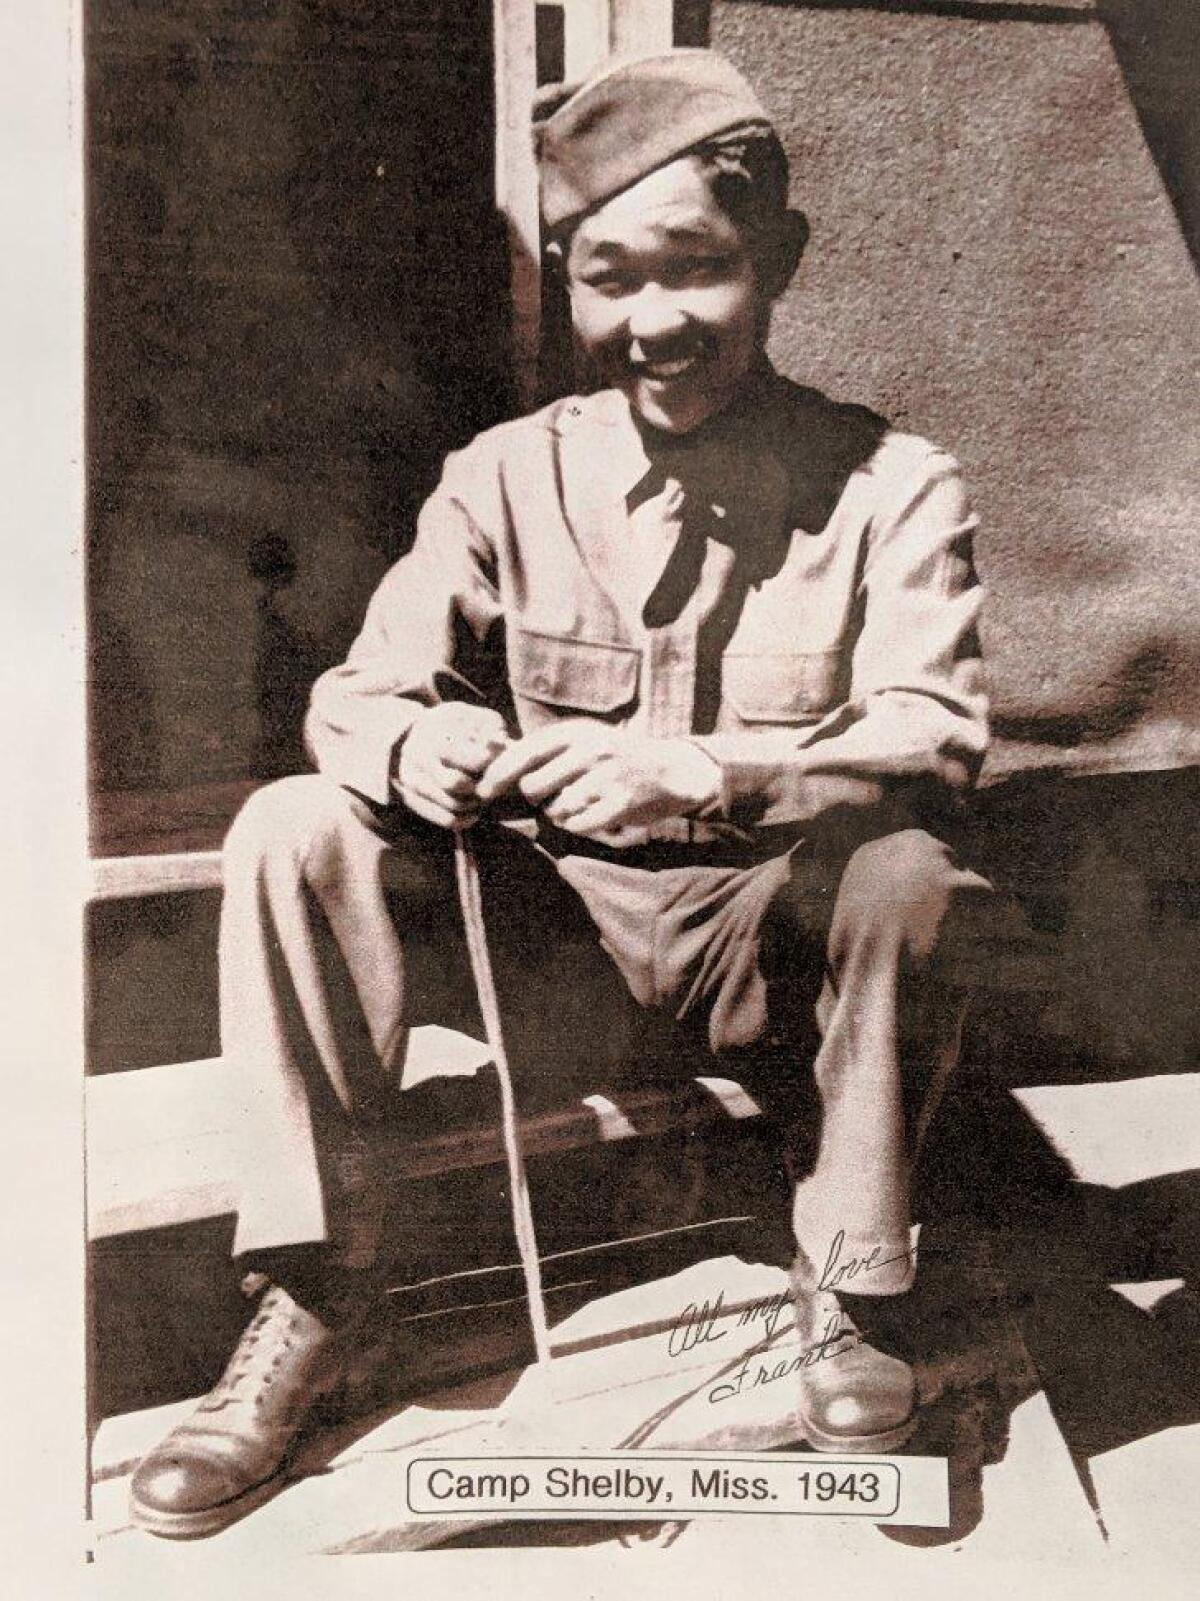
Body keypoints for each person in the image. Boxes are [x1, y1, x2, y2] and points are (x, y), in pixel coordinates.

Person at [131, 47, 992, 1539]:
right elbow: (356, 695)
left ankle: (851, 1283)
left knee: (909, 869)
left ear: (775, 261)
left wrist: (713, 765)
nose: (650, 322)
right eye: (606, 279)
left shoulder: (891, 482)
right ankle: (321, 1295)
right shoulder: (502, 474)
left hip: (760, 952)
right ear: (569, 282)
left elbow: (940, 726)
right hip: (549, 958)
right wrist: (421, 747)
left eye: (699, 270)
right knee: (294, 821)